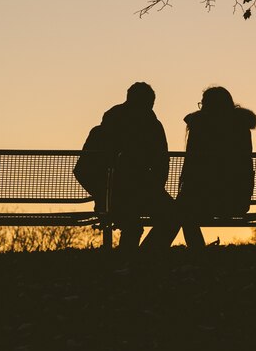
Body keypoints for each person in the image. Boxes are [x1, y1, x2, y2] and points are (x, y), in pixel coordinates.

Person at [74, 82, 178, 251]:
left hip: (114, 197)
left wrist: (102, 195)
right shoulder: (153, 128)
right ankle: (144, 257)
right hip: (140, 194)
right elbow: (162, 164)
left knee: (134, 225)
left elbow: (82, 170)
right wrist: (155, 188)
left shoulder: (103, 130)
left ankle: (132, 262)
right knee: (172, 217)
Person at [178, 86, 256, 247]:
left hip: (204, 200)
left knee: (180, 210)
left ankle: (196, 251)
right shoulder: (242, 126)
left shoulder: (200, 126)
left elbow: (192, 164)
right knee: (181, 209)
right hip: (237, 200)